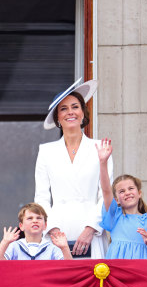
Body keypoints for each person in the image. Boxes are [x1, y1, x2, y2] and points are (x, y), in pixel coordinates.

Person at [35, 78, 112, 259]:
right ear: (58, 118)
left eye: (75, 107)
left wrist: (91, 229)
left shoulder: (101, 148)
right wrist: (52, 228)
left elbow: (106, 195)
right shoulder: (46, 151)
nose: (70, 112)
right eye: (63, 108)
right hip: (57, 232)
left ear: (83, 113)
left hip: (91, 232)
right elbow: (41, 197)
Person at [96, 138, 147, 259]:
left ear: (139, 193)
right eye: (121, 191)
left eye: (131, 188)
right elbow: (106, 190)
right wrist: (103, 162)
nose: (127, 193)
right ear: (116, 200)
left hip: (142, 270)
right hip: (118, 270)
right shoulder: (115, 216)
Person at [0, 202, 72, 260]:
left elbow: (68, 269)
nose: (35, 221)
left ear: (45, 225)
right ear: (21, 226)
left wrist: (65, 248)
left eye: (39, 218)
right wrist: (4, 242)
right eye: (30, 218)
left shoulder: (52, 248)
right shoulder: (15, 246)